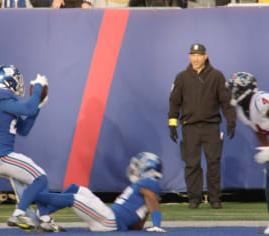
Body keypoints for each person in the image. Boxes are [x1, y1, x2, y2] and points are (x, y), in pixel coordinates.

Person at [0, 64, 65, 232]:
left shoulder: (4, 98)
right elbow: (28, 109)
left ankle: (43, 219)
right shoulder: (0, 94)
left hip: (0, 157)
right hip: (2, 155)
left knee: (37, 181)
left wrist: (39, 106)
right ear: (7, 80)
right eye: (16, 79)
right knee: (41, 177)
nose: (18, 83)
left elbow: (23, 129)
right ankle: (19, 213)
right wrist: (37, 87)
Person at [168, 43, 236, 209]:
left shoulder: (216, 76)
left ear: (205, 56)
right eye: (192, 55)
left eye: (199, 55)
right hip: (189, 127)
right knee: (192, 164)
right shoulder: (182, 77)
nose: (195, 58)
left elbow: (225, 101)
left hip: (211, 126)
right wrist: (172, 123)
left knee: (213, 162)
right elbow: (174, 102)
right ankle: (194, 198)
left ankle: (214, 199)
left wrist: (231, 120)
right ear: (189, 57)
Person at [35, 152, 165, 232]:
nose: (134, 169)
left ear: (148, 169)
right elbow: (137, 225)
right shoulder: (148, 187)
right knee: (77, 189)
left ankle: (33, 196)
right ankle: (42, 213)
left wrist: (156, 225)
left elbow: (152, 203)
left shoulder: (149, 182)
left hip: (109, 220)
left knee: (74, 198)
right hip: (109, 218)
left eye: (138, 166)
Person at [225, 72, 269, 234]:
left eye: (234, 88)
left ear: (244, 89)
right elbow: (259, 131)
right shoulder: (243, 112)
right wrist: (264, 148)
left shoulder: (260, 100)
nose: (231, 92)